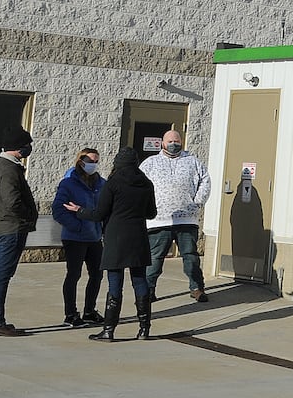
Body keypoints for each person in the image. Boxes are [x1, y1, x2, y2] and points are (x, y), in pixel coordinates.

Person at [62, 147, 156, 341]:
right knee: (140, 282)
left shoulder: (113, 183)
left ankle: (109, 330)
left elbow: (99, 214)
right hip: (138, 237)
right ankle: (144, 329)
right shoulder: (146, 183)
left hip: (116, 238)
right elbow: (151, 213)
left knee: (115, 284)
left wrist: (79, 210)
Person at [141, 130, 211, 303]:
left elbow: (205, 181)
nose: (174, 144)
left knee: (191, 257)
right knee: (155, 258)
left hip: (187, 219)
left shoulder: (193, 162)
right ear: (163, 143)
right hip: (159, 220)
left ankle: (196, 288)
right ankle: (148, 290)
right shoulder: (150, 163)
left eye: (177, 141)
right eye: (170, 141)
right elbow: (139, 185)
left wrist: (197, 202)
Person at [0, 126, 37, 337]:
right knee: (1, 275)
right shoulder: (8, 168)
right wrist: (27, 214)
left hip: (8, 227)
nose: (29, 149)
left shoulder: (6, 165)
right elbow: (12, 201)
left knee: (0, 274)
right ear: (18, 148)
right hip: (12, 228)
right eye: (27, 146)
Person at [51, 148, 106, 327]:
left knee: (97, 275)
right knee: (74, 275)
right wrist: (77, 226)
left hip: (95, 237)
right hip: (75, 237)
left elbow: (104, 209)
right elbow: (59, 210)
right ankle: (71, 314)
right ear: (81, 161)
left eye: (96, 161)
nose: (94, 164)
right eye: (91, 161)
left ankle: (89, 311)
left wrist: (102, 227)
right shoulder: (68, 184)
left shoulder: (101, 184)